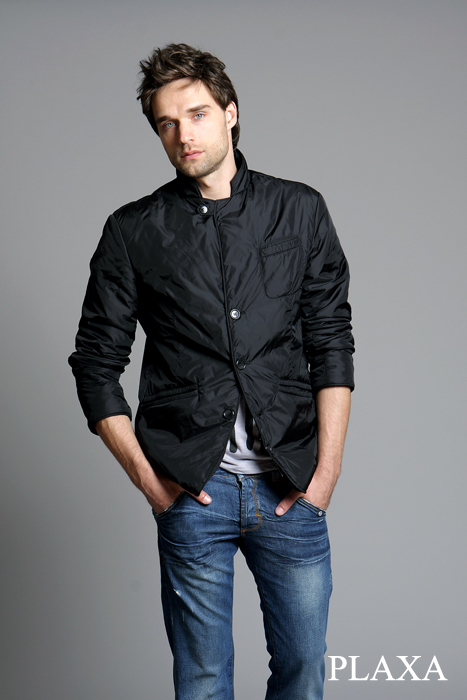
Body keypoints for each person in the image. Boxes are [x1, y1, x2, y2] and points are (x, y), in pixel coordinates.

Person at [69, 42, 355, 700]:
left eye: (196, 114)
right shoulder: (133, 230)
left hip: (291, 485)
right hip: (193, 491)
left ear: (230, 112)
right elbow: (95, 365)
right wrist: (151, 484)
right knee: (201, 683)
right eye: (166, 123)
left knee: (304, 673)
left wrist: (326, 474)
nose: (183, 135)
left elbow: (331, 340)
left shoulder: (299, 209)